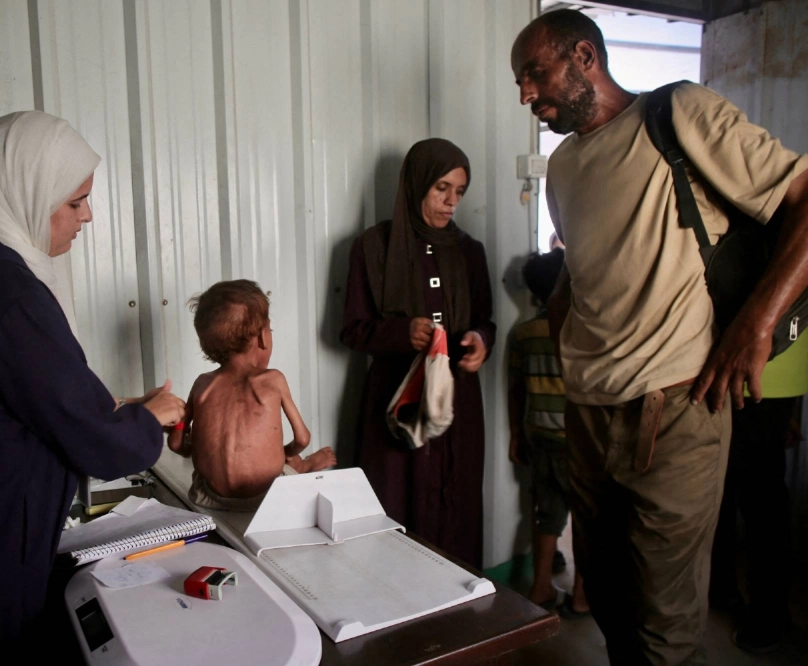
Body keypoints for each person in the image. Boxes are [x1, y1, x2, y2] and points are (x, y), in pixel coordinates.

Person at [511, 9, 808, 664]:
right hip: (586, 416)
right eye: (521, 82)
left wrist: (756, 322)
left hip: (675, 409)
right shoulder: (562, 168)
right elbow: (579, 268)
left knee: (664, 622)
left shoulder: (678, 115)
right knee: (613, 600)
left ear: (584, 56)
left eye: (535, 73)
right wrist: (562, 322)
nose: (527, 93)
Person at [0, 111, 185, 659]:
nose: (87, 216)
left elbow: (13, 398)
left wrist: (115, 405)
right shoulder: (6, 294)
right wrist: (150, 417)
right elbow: (97, 442)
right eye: (75, 202)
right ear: (20, 194)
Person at [341, 138, 495, 569]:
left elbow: (486, 321)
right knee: (396, 504)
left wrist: (480, 343)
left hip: (455, 402)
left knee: (455, 502)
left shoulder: (470, 252)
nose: (451, 202)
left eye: (459, 192)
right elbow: (351, 330)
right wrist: (399, 333)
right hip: (395, 403)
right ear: (415, 186)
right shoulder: (372, 248)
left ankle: (457, 609)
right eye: (441, 188)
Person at [168, 280, 336, 511]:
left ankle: (293, 464)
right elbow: (302, 439)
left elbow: (177, 444)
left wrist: (194, 441)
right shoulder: (273, 379)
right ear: (262, 338)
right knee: (287, 464)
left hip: (210, 497)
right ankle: (302, 466)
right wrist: (283, 455)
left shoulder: (202, 385)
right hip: (267, 496)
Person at [710, 335, 807, 653]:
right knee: (731, 486)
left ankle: (769, 616)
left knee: (759, 494)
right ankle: (725, 590)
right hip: (763, 362)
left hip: (757, 360)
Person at [508, 249, 588, 618]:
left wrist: (515, 435)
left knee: (546, 515)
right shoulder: (580, 332)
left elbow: (516, 390)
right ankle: (583, 597)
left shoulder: (523, 334)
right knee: (587, 521)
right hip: (580, 443)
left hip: (539, 439)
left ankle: (540, 587)